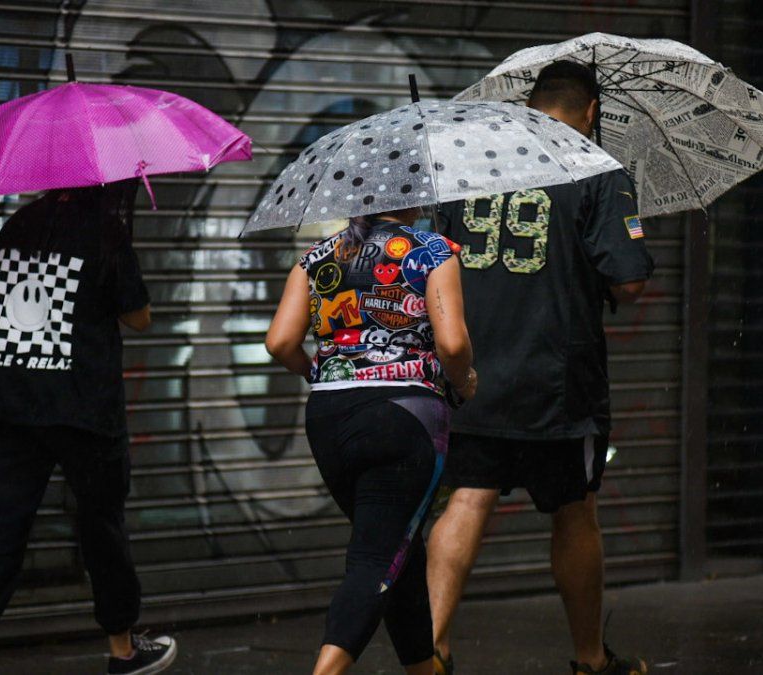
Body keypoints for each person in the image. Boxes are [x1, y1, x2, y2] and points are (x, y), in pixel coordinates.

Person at [429, 60, 656, 675]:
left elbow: (435, 257)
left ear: (529, 105)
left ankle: (434, 656)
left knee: (467, 500)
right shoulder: (595, 169)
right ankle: (589, 660)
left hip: (473, 372)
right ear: (591, 112)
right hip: (559, 383)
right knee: (575, 510)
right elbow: (628, 281)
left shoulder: (472, 164)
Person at [0, 185, 177, 675]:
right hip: (84, 407)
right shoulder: (105, 231)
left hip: (14, 401)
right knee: (101, 526)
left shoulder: (17, 225)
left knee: (1, 521)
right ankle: (122, 649)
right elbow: (139, 316)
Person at [266, 206, 476, 675]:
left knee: (398, 545)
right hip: (405, 417)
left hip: (328, 418)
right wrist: (465, 382)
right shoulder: (432, 251)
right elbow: (454, 345)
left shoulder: (316, 257)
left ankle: (425, 667)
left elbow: (280, 341)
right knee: (376, 557)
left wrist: (318, 373)